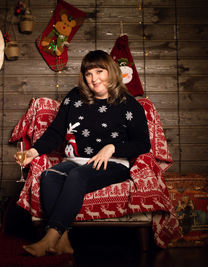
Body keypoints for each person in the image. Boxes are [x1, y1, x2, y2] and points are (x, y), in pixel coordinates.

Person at [15, 50, 151, 257]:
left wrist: (113, 147)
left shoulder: (129, 104)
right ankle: (64, 242)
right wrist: (33, 152)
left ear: (112, 72)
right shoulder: (74, 98)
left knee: (78, 175)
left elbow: (143, 143)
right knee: (49, 175)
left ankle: (50, 237)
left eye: (99, 71)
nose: (94, 79)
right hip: (76, 160)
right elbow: (56, 132)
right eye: (88, 74)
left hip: (113, 164)